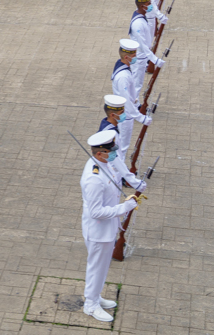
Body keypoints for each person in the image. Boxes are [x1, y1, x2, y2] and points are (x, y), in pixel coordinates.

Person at [80, 129, 139, 322]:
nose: (114, 152)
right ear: (99, 153)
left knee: (102, 268)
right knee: (96, 268)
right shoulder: (94, 178)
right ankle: (90, 305)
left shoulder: (105, 163)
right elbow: (96, 211)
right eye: (111, 150)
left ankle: (95, 296)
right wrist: (124, 208)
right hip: (98, 230)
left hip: (107, 228)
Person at [109, 47, 151, 171]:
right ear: (126, 57)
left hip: (124, 112)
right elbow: (126, 100)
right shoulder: (123, 77)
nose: (136, 57)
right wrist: (140, 117)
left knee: (122, 145)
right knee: (122, 147)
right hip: (124, 113)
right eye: (134, 55)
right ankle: (117, 174)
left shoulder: (123, 67)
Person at [129, 0, 163, 91]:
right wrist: (154, 59)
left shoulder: (141, 16)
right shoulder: (138, 23)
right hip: (139, 56)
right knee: (137, 84)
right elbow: (142, 44)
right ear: (143, 6)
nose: (151, 6)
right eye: (148, 4)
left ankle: (136, 104)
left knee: (138, 83)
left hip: (142, 55)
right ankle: (134, 105)